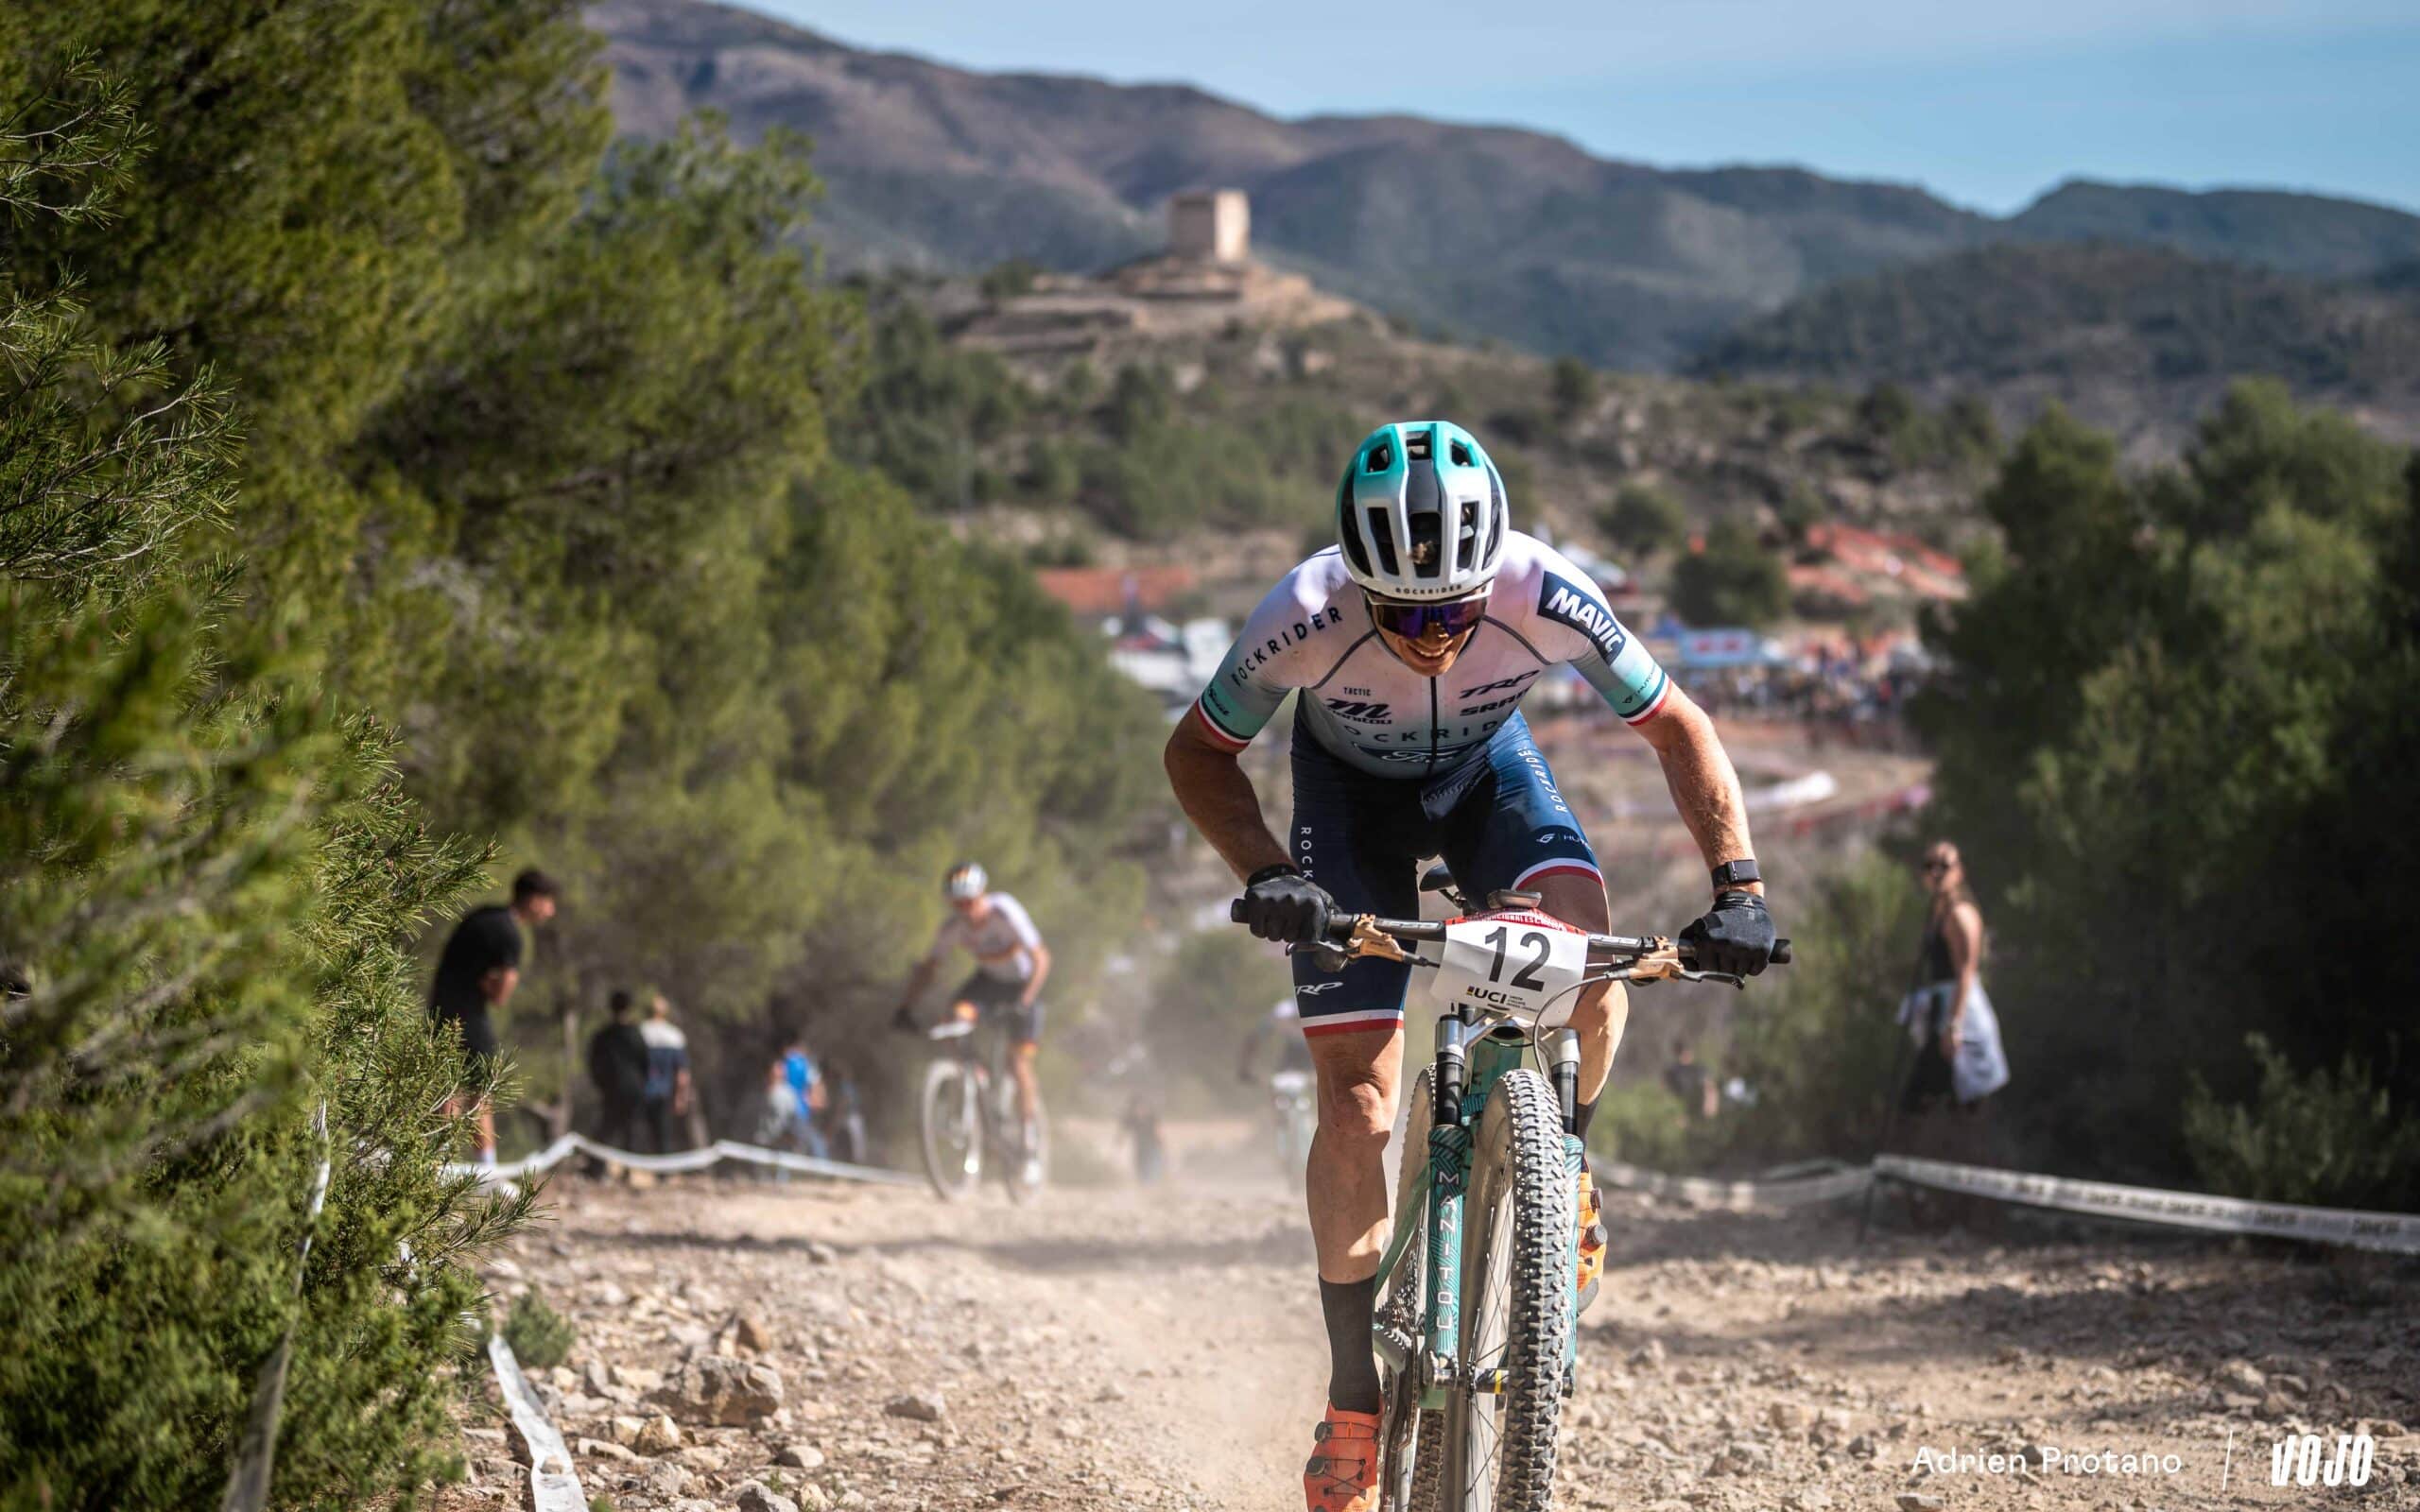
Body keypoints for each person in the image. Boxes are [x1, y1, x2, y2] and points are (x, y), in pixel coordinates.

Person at [1164, 420, 1779, 1512]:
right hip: (1347, 810)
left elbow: (1677, 726)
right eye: (1404, 614)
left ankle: (1562, 1173)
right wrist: (1266, 871)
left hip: (1488, 781)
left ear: (1491, 575)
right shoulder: (1301, 611)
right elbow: (1197, 752)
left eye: (1454, 610)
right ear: (1359, 586)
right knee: (1357, 1101)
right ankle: (1353, 1396)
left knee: (1592, 970)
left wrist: (1739, 886)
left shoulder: (1546, 587)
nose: (1434, 635)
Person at [890, 861, 1052, 1183]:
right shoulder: (954, 928)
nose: (967, 909)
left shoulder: (1005, 911)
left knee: (1018, 1063)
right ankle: (971, 1072)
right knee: (952, 1019)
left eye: (971, 901)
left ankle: (1029, 1139)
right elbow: (929, 969)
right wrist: (906, 1006)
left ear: (982, 894)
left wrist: (1025, 1000)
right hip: (988, 984)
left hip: (1023, 985)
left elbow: (1041, 958)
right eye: (958, 904)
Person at [427, 868, 560, 1166]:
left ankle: (437, 1163)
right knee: (479, 1091)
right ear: (534, 900)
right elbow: (503, 992)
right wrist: (495, 987)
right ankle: (484, 1169)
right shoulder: (509, 932)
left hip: (442, 1009)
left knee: (451, 1087)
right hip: (468, 1015)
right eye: (549, 902)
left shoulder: (486, 916)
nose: (551, 911)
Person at [1897, 841, 2008, 1118]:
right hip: (1942, 1012)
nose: (1936, 872)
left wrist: (1954, 1026)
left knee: (1954, 1103)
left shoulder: (1959, 915)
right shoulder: (1938, 911)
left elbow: (1966, 973)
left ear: (1959, 872)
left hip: (1961, 1016)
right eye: (1929, 866)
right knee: (1931, 1101)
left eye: (1944, 866)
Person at [585, 989, 651, 1153]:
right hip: (633, 1088)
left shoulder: (603, 1036)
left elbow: (594, 1063)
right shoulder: (636, 1034)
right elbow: (646, 1062)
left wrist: (601, 1084)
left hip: (612, 1088)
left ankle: (597, 1163)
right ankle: (629, 1163)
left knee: (607, 1129)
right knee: (632, 1130)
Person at [637, 991, 692, 1155]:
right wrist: (680, 1097)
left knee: (638, 1137)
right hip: (664, 1093)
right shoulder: (674, 1036)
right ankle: (662, 1168)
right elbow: (682, 1074)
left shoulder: (640, 1032)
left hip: (641, 1093)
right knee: (663, 1137)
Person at [1663, 1036, 1719, 1120]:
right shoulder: (1672, 1072)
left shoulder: (1699, 1069)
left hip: (1700, 1109)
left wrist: (1710, 1107)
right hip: (1682, 1110)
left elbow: (1711, 1089)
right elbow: (1668, 1094)